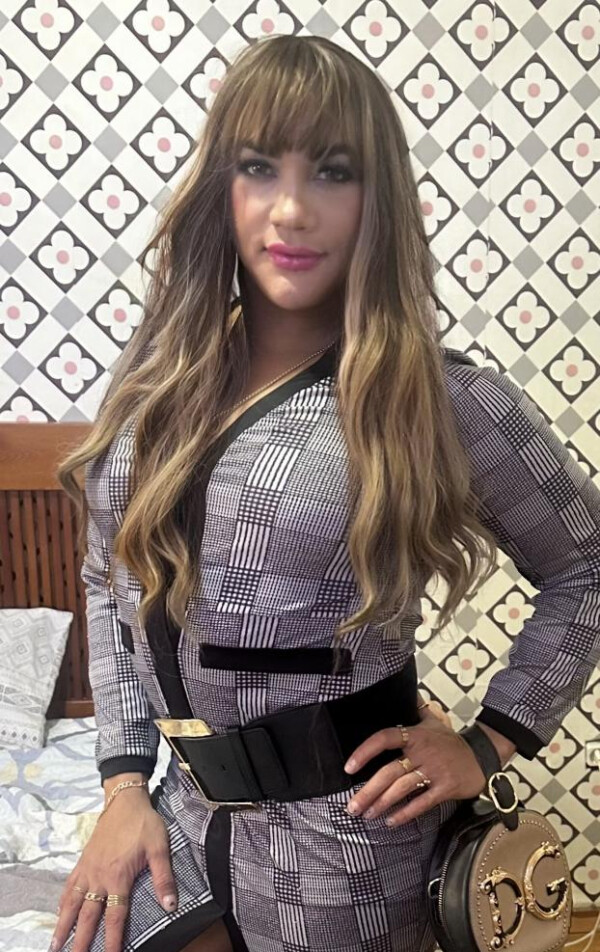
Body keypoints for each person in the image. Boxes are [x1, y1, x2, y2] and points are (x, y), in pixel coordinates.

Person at [54, 33, 600, 952]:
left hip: (347, 846)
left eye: (334, 172)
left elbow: (587, 566)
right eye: (259, 167)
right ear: (222, 188)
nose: (293, 208)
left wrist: (489, 742)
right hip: (178, 821)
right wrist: (121, 784)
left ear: (376, 200)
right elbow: (111, 580)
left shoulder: (439, 397)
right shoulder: (157, 386)